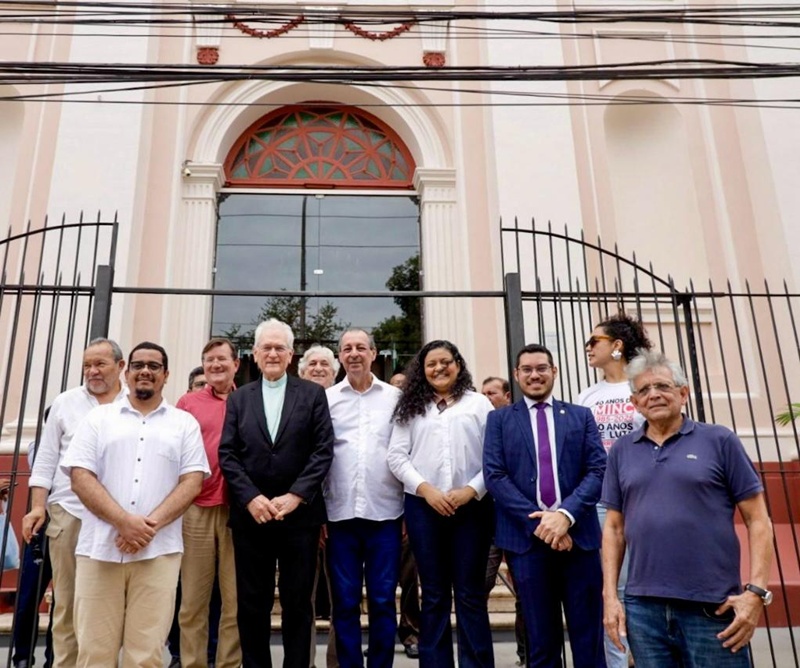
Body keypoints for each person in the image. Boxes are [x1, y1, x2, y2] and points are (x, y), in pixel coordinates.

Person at [602, 350, 774, 668]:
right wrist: (610, 597)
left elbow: (758, 519)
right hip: (643, 608)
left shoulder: (720, 441)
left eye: (662, 386)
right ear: (635, 403)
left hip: (712, 606)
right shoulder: (621, 452)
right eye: (643, 390)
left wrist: (756, 592)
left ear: (683, 393)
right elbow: (613, 528)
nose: (653, 394)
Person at [62, 341, 209, 667]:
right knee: (94, 652)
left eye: (154, 366)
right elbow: (80, 476)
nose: (145, 371)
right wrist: (123, 521)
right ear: (127, 373)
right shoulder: (98, 419)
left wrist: (146, 526)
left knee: (147, 654)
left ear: (166, 375)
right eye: (138, 365)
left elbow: (192, 482)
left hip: (159, 552)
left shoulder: (184, 423)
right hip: (100, 548)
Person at [219, 318, 334, 668]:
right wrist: (251, 497)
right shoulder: (239, 398)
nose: (272, 353)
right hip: (251, 517)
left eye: (279, 348)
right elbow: (228, 453)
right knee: (252, 602)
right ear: (254, 354)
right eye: (265, 347)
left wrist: (296, 495)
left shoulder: (312, 395)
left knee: (298, 602)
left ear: (289, 354)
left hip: (299, 518)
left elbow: (323, 450)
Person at [483, 343, 607, 668]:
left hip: (578, 541)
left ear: (554, 371)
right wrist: (543, 524)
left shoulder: (581, 416)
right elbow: (495, 476)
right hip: (528, 543)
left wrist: (565, 516)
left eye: (541, 368)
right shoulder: (498, 420)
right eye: (527, 369)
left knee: (589, 639)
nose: (534, 375)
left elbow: (597, 470)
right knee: (541, 640)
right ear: (516, 375)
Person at [387, 340, 495, 668]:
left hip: (472, 508)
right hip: (424, 508)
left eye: (445, 361)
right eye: (431, 364)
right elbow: (396, 456)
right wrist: (426, 490)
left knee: (470, 593)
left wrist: (471, 490)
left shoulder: (478, 405)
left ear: (458, 365)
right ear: (422, 370)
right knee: (433, 593)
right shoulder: (412, 406)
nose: (438, 368)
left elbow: (494, 458)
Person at [22, 338, 127, 667]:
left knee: (106, 603)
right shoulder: (66, 403)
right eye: (87, 365)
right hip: (68, 514)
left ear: (120, 366)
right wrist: (38, 506)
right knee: (66, 603)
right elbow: (45, 461)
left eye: (100, 364)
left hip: (116, 518)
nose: (92, 371)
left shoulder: (134, 404)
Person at [576, 313, 651, 668]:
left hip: (646, 497)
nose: (588, 347)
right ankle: (619, 661)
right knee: (612, 587)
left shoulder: (642, 385)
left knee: (647, 585)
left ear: (616, 346)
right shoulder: (586, 396)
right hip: (603, 501)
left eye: (595, 342)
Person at [325, 329, 403, 668]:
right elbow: (318, 457)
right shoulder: (326, 400)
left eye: (361, 347)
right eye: (347, 348)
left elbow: (407, 452)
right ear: (339, 356)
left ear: (374, 353)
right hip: (338, 517)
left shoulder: (396, 398)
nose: (354, 353)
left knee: (384, 600)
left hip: (386, 515)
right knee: (343, 603)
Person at [176, 338, 242, 668]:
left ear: (236, 364)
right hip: (196, 509)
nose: (215, 365)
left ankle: (230, 664)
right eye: (209, 360)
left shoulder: (249, 400)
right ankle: (192, 664)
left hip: (238, 512)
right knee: (193, 602)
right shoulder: (187, 403)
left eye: (221, 359)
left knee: (235, 603)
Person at [297, 344, 339, 668]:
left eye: (325, 363)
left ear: (335, 370)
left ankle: (337, 662)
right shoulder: (291, 404)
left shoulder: (345, 402)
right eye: (312, 363)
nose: (319, 367)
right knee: (302, 599)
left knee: (343, 596)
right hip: (302, 515)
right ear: (301, 370)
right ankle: (304, 662)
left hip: (343, 514)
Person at [481, 376, 526, 667]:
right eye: (482, 393)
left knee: (526, 591)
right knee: (476, 588)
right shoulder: (476, 422)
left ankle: (527, 652)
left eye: (492, 393)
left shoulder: (518, 424)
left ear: (507, 396)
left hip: (517, 519)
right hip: (486, 522)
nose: (486, 398)